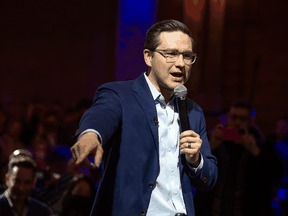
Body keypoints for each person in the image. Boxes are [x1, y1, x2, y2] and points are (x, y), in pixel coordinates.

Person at [70, 19, 218, 216]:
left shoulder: (194, 112)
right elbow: (102, 114)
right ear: (148, 57)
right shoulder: (120, 95)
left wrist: (195, 160)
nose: (181, 63)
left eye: (187, 56)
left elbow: (208, 179)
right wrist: (91, 134)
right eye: (171, 54)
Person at [195, 100, 268, 216]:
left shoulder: (260, 143)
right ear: (228, 118)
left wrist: (255, 150)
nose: (237, 122)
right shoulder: (212, 138)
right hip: (211, 208)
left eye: (243, 119)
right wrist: (210, 147)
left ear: (250, 121)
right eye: (234, 117)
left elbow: (271, 177)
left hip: (247, 208)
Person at [0, 149, 51, 216]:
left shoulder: (41, 211)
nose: (21, 188)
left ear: (34, 183)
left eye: (27, 183)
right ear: (7, 179)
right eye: (17, 181)